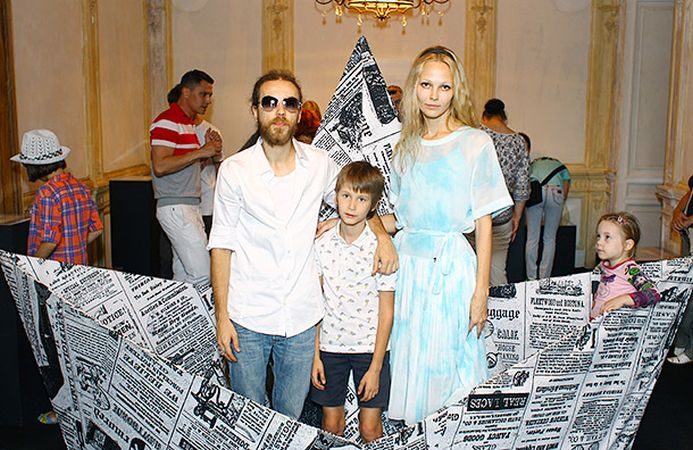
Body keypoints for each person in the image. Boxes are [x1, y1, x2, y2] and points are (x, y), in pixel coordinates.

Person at [209, 70, 397, 420]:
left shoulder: (318, 163)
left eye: (289, 103)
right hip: (247, 315)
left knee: (290, 417)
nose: (279, 111)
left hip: (301, 318)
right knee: (249, 418)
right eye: (270, 102)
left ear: (299, 112)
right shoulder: (235, 170)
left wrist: (382, 237)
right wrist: (222, 317)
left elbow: (356, 196)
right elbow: (221, 244)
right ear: (255, 110)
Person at [380, 46, 512, 424]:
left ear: (457, 92)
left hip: (452, 272)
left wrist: (481, 291)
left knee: (448, 364)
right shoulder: (404, 146)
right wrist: (351, 223)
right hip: (408, 273)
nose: (434, 96)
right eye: (426, 85)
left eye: (444, 87)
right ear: (414, 87)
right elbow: (398, 218)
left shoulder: (475, 143)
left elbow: (484, 222)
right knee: (408, 359)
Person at [11, 129, 104, 425]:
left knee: (56, 350)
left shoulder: (47, 193)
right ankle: (86, 406)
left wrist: (31, 265)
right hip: (79, 276)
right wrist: (75, 247)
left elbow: (50, 239)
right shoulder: (79, 186)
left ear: (34, 166)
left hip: (52, 281)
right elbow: (97, 229)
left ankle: (62, 411)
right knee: (76, 345)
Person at [310, 161, 395, 442]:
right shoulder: (321, 243)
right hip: (330, 347)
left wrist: (376, 367)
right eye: (346, 195)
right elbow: (316, 304)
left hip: (369, 348)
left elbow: (387, 312)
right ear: (335, 196)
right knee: (331, 426)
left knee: (370, 429)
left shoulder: (381, 247)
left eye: (361, 199)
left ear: (373, 206)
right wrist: (315, 356)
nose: (351, 205)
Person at [150, 69, 223, 285]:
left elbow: (183, 166)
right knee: (204, 274)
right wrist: (202, 151)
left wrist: (208, 152)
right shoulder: (167, 121)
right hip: (176, 207)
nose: (208, 100)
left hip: (189, 205)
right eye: (203, 94)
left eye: (210, 95)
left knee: (183, 278)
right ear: (186, 92)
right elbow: (160, 166)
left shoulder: (187, 125)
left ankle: (178, 308)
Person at [471, 98, 530, 286]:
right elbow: (522, 185)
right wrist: (517, 217)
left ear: (484, 116)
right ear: (504, 116)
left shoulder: (476, 135)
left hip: (474, 213)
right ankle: (500, 304)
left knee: (471, 268)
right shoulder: (519, 141)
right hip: (502, 214)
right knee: (497, 270)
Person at [591, 212, 661, 320]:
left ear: (627, 245)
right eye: (598, 236)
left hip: (614, 326)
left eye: (607, 237)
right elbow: (593, 283)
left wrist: (624, 299)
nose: (599, 242)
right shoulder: (601, 265)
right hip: (595, 321)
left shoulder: (630, 270)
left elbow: (653, 293)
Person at [524, 141, 571, 280]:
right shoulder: (559, 165)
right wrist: (562, 199)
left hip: (537, 193)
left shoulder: (533, 164)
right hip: (556, 192)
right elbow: (566, 184)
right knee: (550, 238)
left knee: (532, 238)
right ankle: (545, 278)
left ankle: (531, 277)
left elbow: (526, 181)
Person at [669, 174, 693, 364]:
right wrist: (678, 212)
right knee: (685, 289)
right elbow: (691, 191)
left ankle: (690, 349)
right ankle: (683, 341)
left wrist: (690, 219)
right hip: (689, 235)